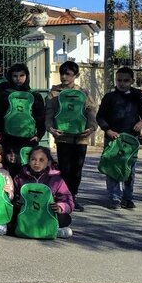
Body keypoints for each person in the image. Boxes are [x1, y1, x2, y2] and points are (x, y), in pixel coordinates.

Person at [44, 61, 97, 211]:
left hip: (81, 137)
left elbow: (90, 112)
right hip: (63, 137)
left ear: (76, 75)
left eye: (68, 74)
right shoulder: (54, 93)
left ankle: (73, 196)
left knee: (77, 169)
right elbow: (49, 114)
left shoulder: (83, 93)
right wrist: (51, 129)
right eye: (62, 73)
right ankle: (63, 197)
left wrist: (92, 128)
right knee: (65, 169)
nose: (64, 77)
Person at [97, 67, 142, 210]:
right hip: (113, 139)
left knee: (129, 169)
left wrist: (141, 123)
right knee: (112, 168)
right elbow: (100, 116)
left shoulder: (137, 96)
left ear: (132, 81)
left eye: (126, 80)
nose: (122, 83)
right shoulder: (109, 97)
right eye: (119, 80)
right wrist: (107, 129)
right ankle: (114, 197)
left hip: (131, 141)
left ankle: (128, 198)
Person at [14, 146, 74, 238]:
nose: (37, 163)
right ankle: (50, 231)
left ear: (48, 162)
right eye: (33, 159)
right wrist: (16, 202)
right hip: (27, 212)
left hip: (46, 213)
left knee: (65, 218)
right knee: (12, 215)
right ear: (28, 161)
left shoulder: (56, 179)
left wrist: (60, 207)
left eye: (41, 160)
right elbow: (14, 195)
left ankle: (53, 230)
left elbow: (67, 199)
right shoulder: (20, 177)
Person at [0, 63, 45, 176]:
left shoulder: (35, 95)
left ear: (27, 76)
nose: (18, 79)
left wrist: (39, 134)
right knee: (10, 167)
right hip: (9, 138)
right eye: (15, 76)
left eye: (21, 75)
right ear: (10, 77)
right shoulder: (4, 95)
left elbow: (41, 117)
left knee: (28, 168)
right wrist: (0, 135)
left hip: (28, 138)